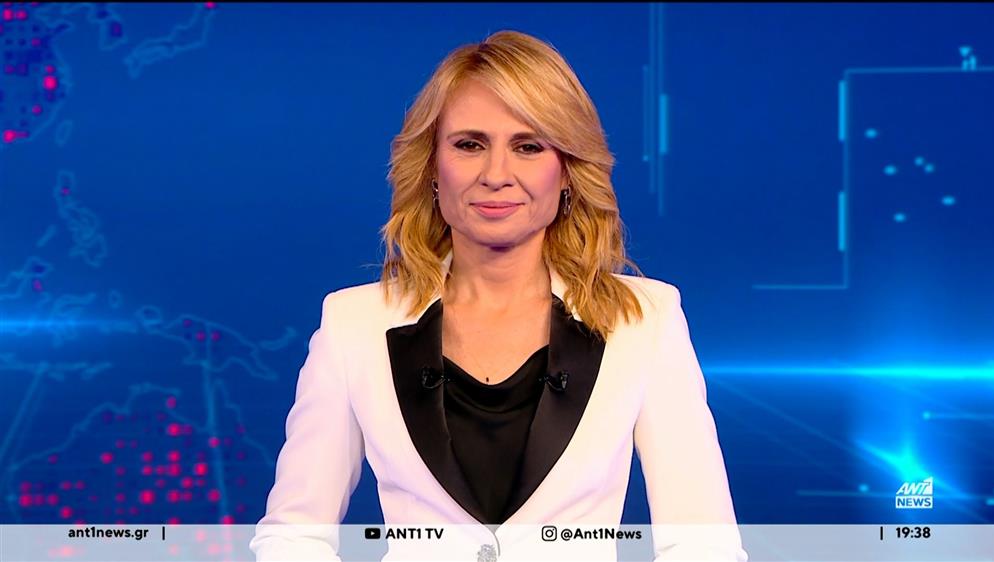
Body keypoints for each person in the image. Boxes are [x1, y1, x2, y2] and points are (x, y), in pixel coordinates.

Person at [250, 30, 747, 561]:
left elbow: (703, 544)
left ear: (567, 172)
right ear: (432, 167)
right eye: (470, 145)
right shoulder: (353, 324)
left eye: (528, 147)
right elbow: (293, 535)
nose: (496, 175)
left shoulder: (645, 320)